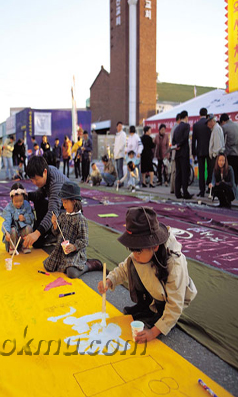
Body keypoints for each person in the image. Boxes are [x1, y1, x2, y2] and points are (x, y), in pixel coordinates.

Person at [98, 207, 198, 343]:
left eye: (138, 251)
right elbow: (123, 269)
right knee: (131, 265)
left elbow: (175, 305)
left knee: (167, 314)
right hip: (155, 291)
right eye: (132, 250)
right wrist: (109, 280)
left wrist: (153, 332)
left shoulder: (174, 263)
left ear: (155, 246)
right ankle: (145, 306)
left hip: (171, 299)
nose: (135, 255)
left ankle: (159, 314)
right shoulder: (141, 253)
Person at [44, 182, 100, 278]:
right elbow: (56, 233)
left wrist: (74, 246)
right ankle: (68, 265)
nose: (63, 205)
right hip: (61, 250)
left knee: (72, 273)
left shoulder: (81, 219)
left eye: (66, 202)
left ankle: (88, 265)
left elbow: (84, 240)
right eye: (62, 202)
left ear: (74, 201)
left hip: (75, 252)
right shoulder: (63, 216)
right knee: (48, 266)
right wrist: (54, 224)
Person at [22, 156, 67, 249]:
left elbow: (53, 212)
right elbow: (40, 194)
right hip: (57, 207)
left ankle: (55, 235)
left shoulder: (56, 183)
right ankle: (47, 232)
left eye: (36, 179)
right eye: (32, 180)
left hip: (67, 212)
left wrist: (37, 233)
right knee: (37, 243)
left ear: (45, 172)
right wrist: (26, 196)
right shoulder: (46, 171)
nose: (34, 182)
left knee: (37, 239)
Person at [1, 183, 36, 255]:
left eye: (21, 201)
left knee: (29, 228)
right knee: (12, 230)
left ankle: (25, 245)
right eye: (16, 201)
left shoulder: (26, 205)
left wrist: (25, 218)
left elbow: (32, 217)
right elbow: (6, 222)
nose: (18, 204)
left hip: (22, 234)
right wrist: (6, 232)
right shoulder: (8, 208)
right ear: (11, 199)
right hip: (14, 235)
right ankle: (12, 246)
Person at [171, 111, 193, 199]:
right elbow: (185, 137)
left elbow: (173, 141)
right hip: (184, 152)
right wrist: (180, 145)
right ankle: (185, 192)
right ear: (186, 117)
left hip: (177, 153)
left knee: (178, 173)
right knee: (185, 173)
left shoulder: (176, 128)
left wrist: (176, 146)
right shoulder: (186, 126)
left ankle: (177, 192)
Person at [192, 108, 213, 197]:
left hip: (200, 151)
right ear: (206, 114)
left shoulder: (196, 125)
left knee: (201, 171)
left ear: (199, 114)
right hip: (209, 150)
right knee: (210, 169)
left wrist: (194, 153)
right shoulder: (210, 124)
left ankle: (202, 191)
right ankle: (210, 188)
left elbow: (193, 141)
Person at [221, 114, 238, 190]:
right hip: (237, 153)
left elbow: (222, 141)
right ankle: (235, 186)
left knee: (229, 172)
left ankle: (229, 188)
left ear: (223, 121)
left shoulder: (224, 127)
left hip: (229, 153)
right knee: (236, 171)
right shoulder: (237, 125)